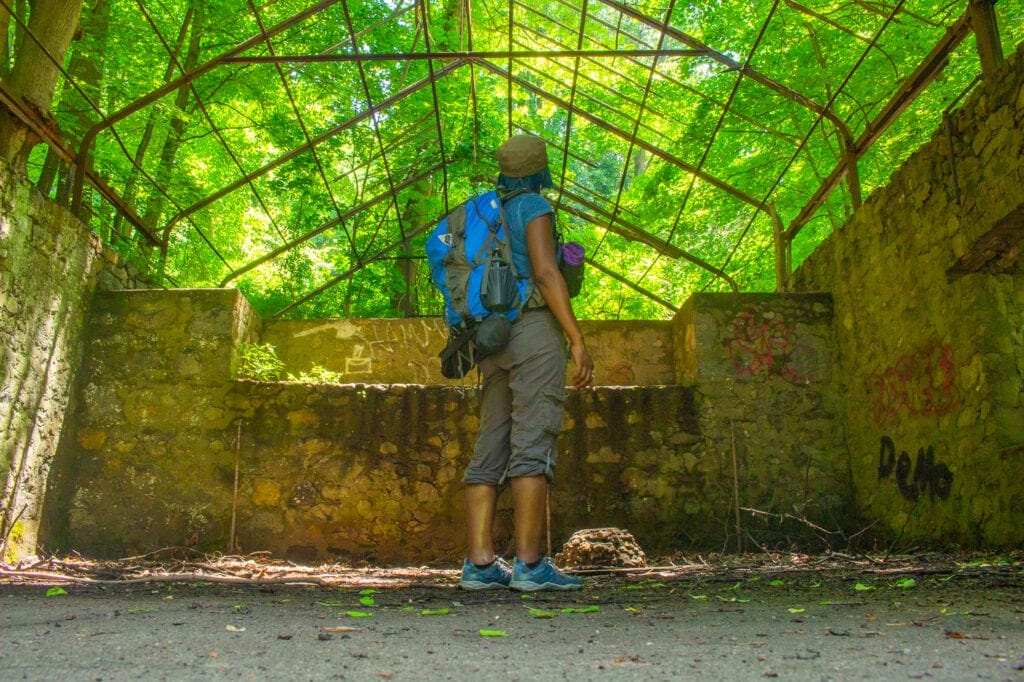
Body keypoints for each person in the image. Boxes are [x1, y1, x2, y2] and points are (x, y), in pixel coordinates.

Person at [459, 134, 595, 592]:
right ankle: (530, 566)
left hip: (491, 337)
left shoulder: (487, 210)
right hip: (532, 331)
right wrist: (576, 338)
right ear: (540, 170)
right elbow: (545, 272)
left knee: (489, 447)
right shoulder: (533, 206)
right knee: (533, 442)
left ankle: (479, 565)